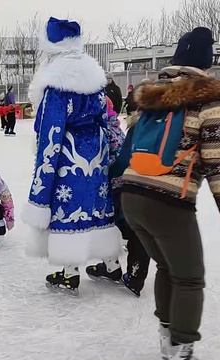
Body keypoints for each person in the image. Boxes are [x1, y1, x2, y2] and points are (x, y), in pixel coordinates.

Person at [121, 27, 220, 360]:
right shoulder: (208, 99)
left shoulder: (152, 95)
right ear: (206, 63)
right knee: (190, 278)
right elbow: (217, 162)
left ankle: (168, 338)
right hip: (167, 203)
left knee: (167, 267)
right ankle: (181, 350)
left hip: (132, 195)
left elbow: (128, 146)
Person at [22, 17, 122, 296]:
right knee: (97, 205)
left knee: (68, 207)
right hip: (97, 152)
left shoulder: (56, 84)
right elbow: (106, 118)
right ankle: (111, 264)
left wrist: (43, 175)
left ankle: (70, 272)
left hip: (69, 155)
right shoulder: (94, 79)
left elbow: (51, 131)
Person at [85, 97, 150, 297]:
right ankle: (128, 272)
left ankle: (118, 268)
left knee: (114, 225)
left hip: (120, 184)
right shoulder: (117, 127)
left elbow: (120, 160)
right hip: (150, 185)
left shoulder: (106, 129)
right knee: (136, 228)